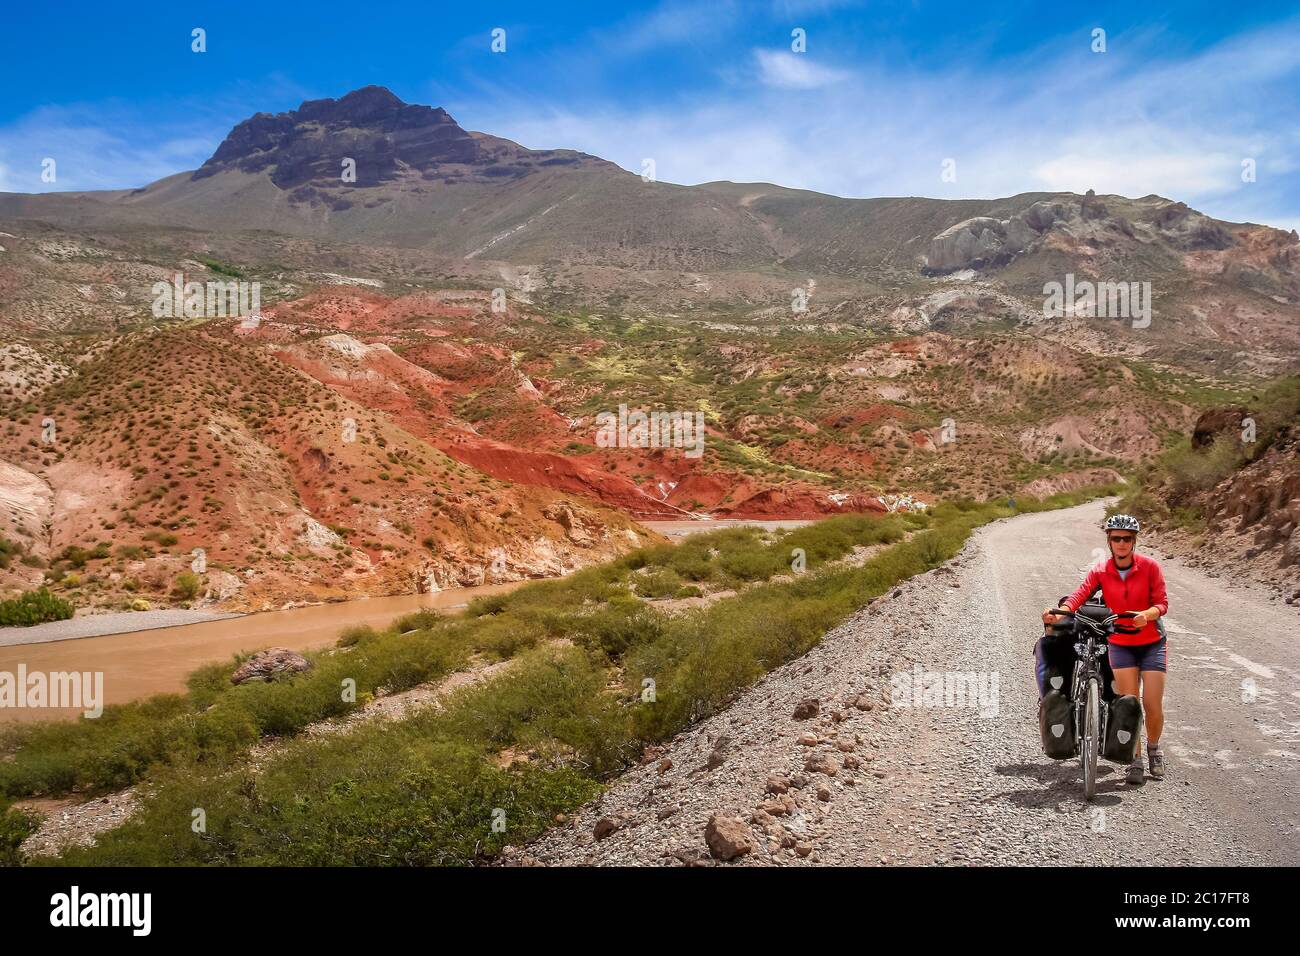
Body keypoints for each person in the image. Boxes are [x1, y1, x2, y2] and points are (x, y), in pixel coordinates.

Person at [1042, 514, 1168, 784]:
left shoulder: (1150, 567)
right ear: (1109, 541)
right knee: (1130, 705)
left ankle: (1154, 750)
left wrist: (1147, 614)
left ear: (1134, 541)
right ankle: (1135, 760)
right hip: (1120, 643)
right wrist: (1060, 613)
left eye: (1127, 539)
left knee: (1152, 704)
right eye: (1116, 538)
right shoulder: (1101, 570)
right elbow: (1080, 594)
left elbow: (1162, 602)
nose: (1122, 543)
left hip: (1151, 643)